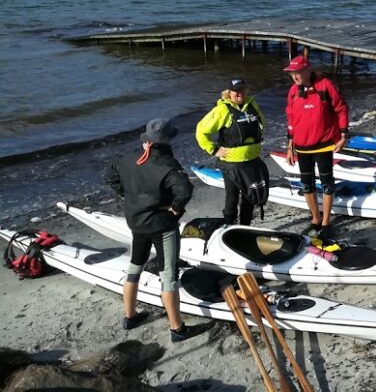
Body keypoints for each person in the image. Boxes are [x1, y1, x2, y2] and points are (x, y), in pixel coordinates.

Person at [106, 118, 200, 342]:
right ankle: (177, 329)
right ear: (167, 141)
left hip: (136, 222)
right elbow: (185, 189)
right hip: (162, 225)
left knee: (135, 267)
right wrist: (175, 209)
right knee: (168, 275)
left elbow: (110, 177)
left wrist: (129, 198)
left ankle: (129, 317)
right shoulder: (167, 163)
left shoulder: (128, 158)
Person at [283, 55, 350, 231]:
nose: (295, 77)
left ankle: (326, 221)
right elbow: (290, 118)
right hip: (302, 146)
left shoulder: (325, 85)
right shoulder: (293, 91)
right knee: (307, 184)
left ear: (307, 70)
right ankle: (315, 218)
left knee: (327, 183)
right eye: (292, 74)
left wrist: (344, 135)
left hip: (324, 143)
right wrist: (290, 146)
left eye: (298, 72)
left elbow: (341, 109)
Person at [195, 77, 268, 225]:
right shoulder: (222, 110)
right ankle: (229, 225)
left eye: (242, 90)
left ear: (246, 90)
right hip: (232, 164)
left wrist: (256, 142)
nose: (239, 94)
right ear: (229, 93)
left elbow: (262, 123)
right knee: (232, 197)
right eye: (236, 91)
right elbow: (201, 131)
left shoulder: (252, 104)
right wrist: (213, 150)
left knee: (250, 196)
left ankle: (245, 226)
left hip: (252, 160)